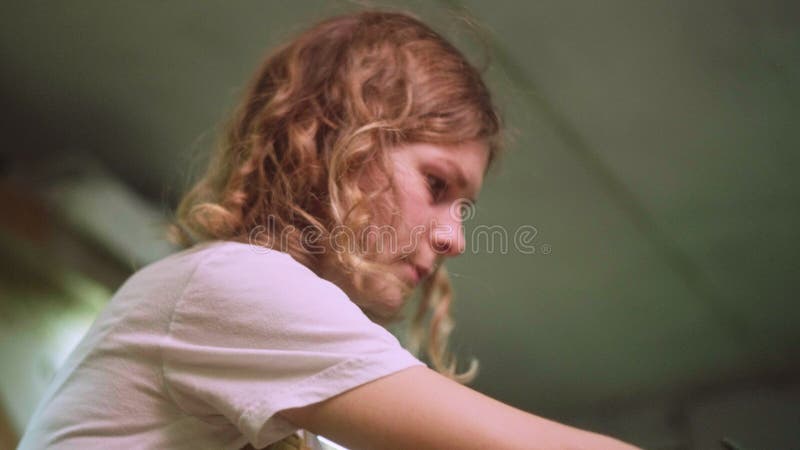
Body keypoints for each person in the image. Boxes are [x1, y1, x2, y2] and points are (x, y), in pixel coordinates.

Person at [18, 9, 639, 450]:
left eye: (464, 207)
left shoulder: (307, 413)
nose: (456, 238)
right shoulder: (232, 283)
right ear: (336, 143)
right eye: (437, 185)